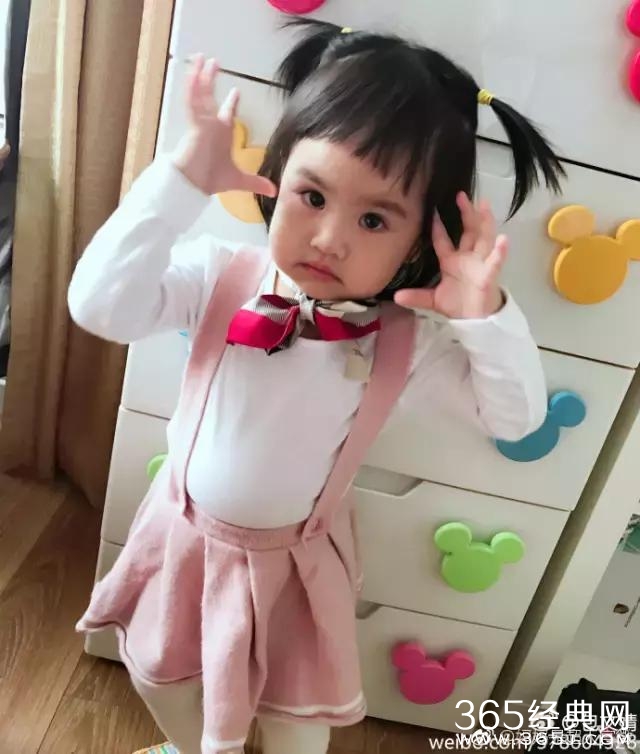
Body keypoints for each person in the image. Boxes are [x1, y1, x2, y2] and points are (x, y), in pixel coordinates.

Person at [70, 18, 564, 754]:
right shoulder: (217, 275)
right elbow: (98, 307)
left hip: (295, 568)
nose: (332, 238)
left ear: (420, 242)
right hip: (184, 539)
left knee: (298, 723)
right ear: (277, 174)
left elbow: (517, 420)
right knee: (162, 680)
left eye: (374, 219)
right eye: (312, 196)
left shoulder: (405, 343)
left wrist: (484, 317)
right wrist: (177, 185)